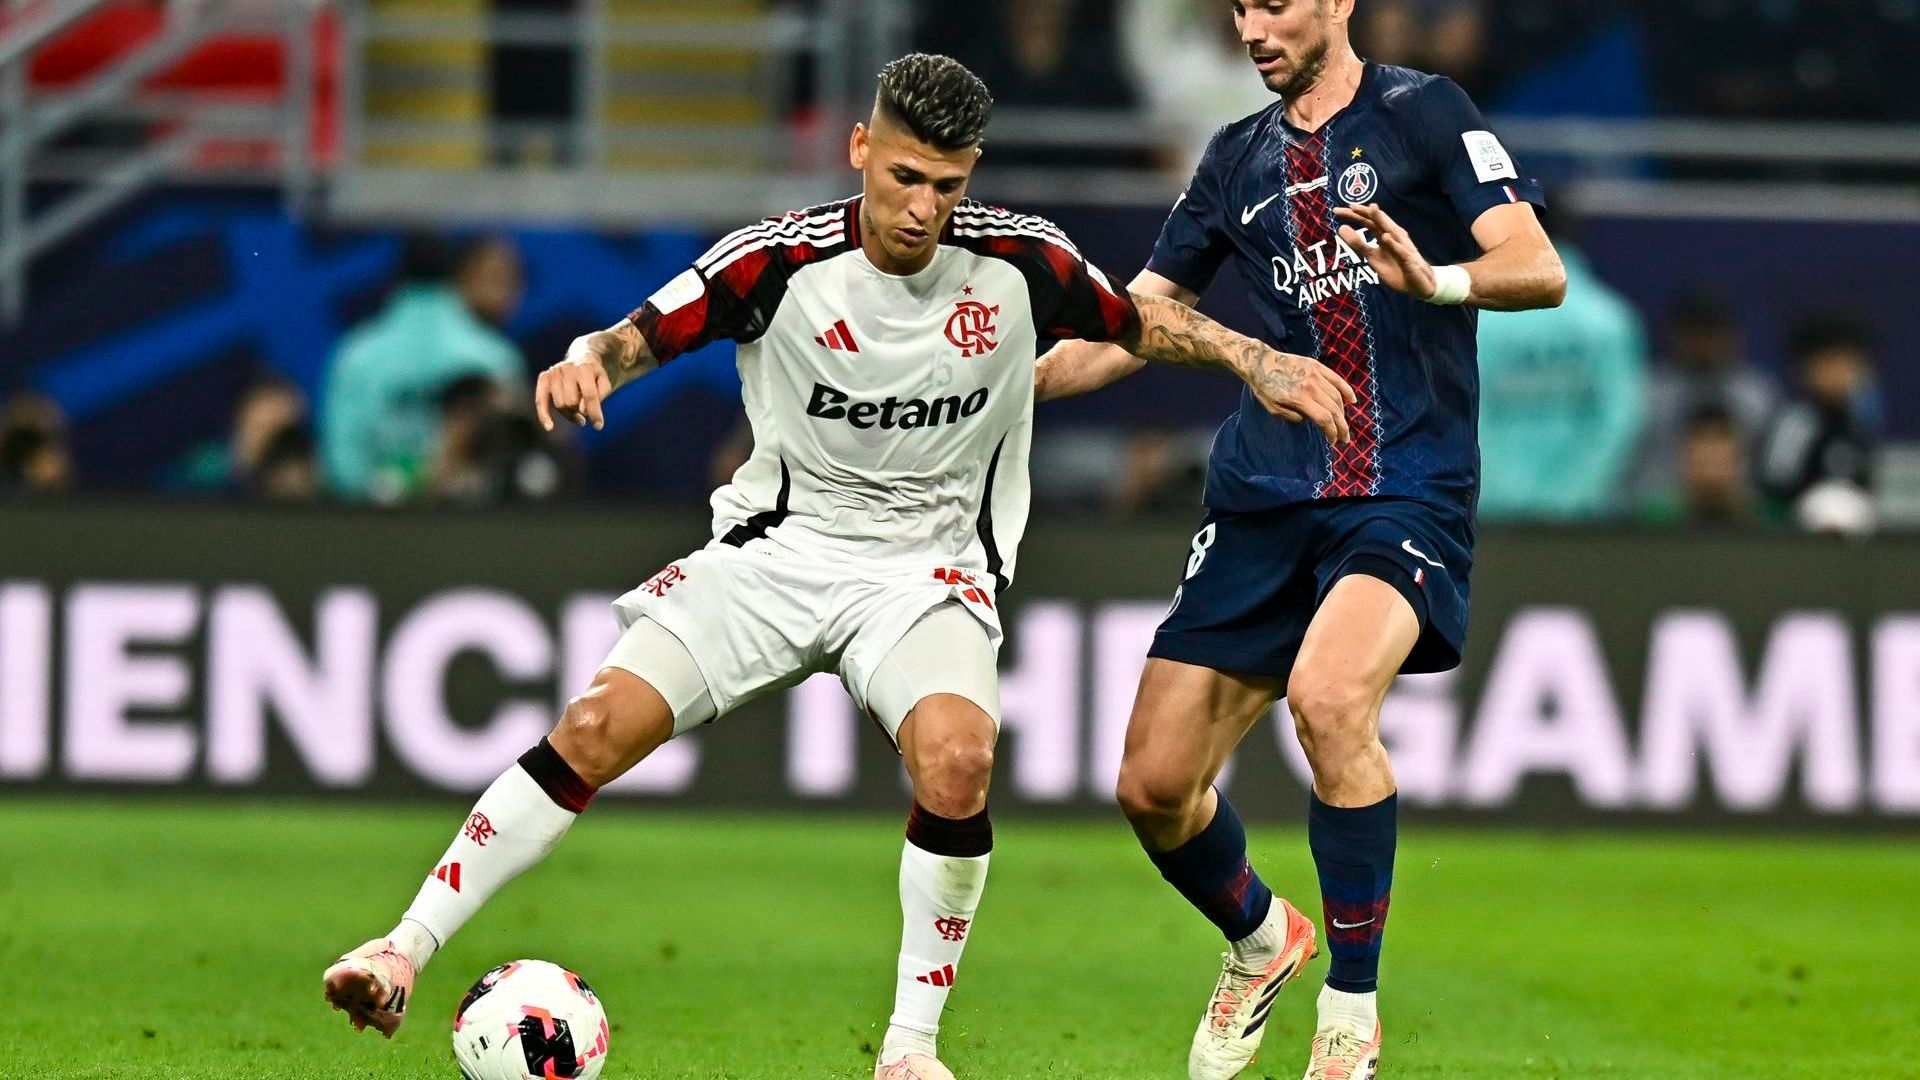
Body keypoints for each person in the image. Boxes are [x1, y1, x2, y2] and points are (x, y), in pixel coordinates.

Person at [320, 53, 1354, 1080]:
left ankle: (909, 1053)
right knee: (592, 729)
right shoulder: (776, 262)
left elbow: (1138, 320)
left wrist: (1260, 361)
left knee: (958, 761)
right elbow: (640, 334)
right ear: (861, 148)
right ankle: (401, 950)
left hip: (929, 570)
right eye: (904, 177)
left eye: (947, 185)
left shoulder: (1019, 260)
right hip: (778, 551)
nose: (923, 209)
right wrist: (590, 360)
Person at [1037, 2, 1566, 1077]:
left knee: (1329, 700)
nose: (1253, 27)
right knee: (1153, 787)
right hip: (1263, 497)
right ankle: (1262, 937)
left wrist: (1438, 278)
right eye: (1240, 6)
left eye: (1276, 3)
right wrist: (1010, 379)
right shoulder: (1233, 158)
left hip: (1401, 489)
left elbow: (1537, 265)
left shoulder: (1426, 113)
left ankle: (1350, 1014)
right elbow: (1138, 318)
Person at [320, 234, 526, 503]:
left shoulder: (354, 355)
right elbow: (516, 460)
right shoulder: (495, 358)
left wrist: (389, 489)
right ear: (456, 277)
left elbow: (343, 468)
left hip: (372, 521)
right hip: (471, 520)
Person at [1475, 213, 1646, 521]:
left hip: (1494, 515)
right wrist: (1574, 497)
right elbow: (1620, 419)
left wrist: (1501, 494)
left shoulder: (1479, 321)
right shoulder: (1612, 320)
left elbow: (1465, 413)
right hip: (1583, 517)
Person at [1757, 312, 1882, 535]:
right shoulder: (1795, 424)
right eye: (1832, 361)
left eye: (1850, 362)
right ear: (1807, 368)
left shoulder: (1857, 427)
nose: (1841, 372)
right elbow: (1775, 493)